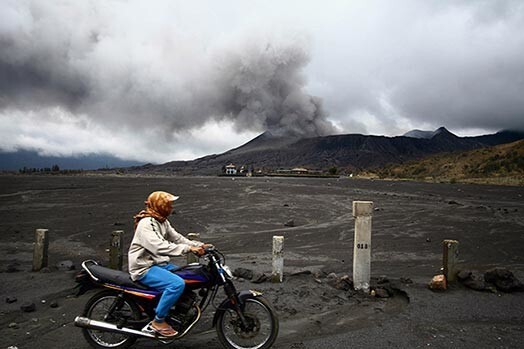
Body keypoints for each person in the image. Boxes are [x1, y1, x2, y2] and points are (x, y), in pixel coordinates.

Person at [128, 191, 210, 337]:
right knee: (176, 284)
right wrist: (188, 249)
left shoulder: (162, 220)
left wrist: (199, 245)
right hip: (144, 267)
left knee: (188, 276)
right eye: (168, 204)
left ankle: (173, 311)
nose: (171, 207)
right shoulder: (146, 223)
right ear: (159, 205)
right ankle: (158, 321)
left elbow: (177, 238)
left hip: (159, 264)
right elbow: (159, 247)